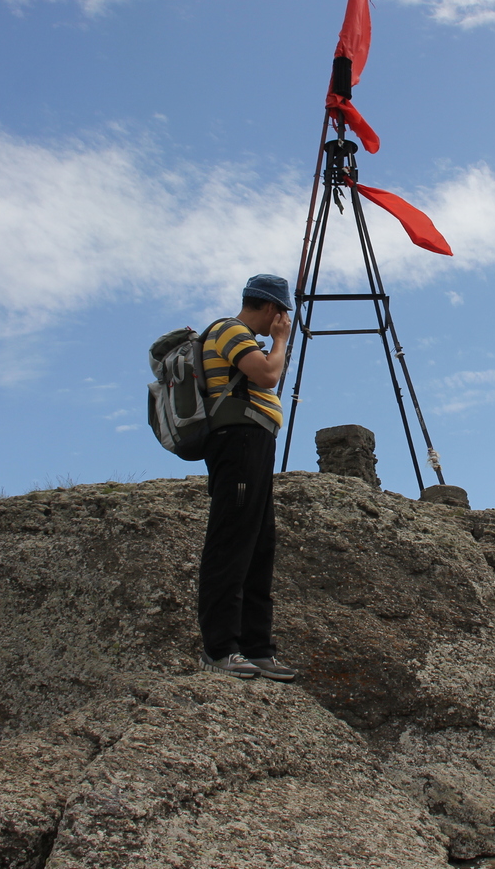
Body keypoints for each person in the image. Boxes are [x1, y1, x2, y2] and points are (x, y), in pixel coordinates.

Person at [196, 274, 298, 682]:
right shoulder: (230, 330)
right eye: (282, 313)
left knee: (258, 546)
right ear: (273, 309)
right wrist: (281, 341)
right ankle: (220, 648)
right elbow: (268, 375)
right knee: (232, 543)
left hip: (254, 445)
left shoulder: (238, 335)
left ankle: (257, 648)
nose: (283, 320)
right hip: (238, 443)